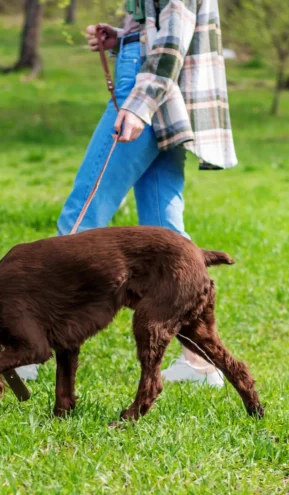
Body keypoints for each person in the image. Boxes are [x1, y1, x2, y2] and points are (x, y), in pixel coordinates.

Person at [55, 0, 237, 386]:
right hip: (163, 96)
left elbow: (172, 39)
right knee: (167, 238)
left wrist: (139, 107)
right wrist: (124, 36)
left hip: (147, 89)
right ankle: (201, 362)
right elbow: (163, 24)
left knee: (81, 217)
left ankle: (32, 346)